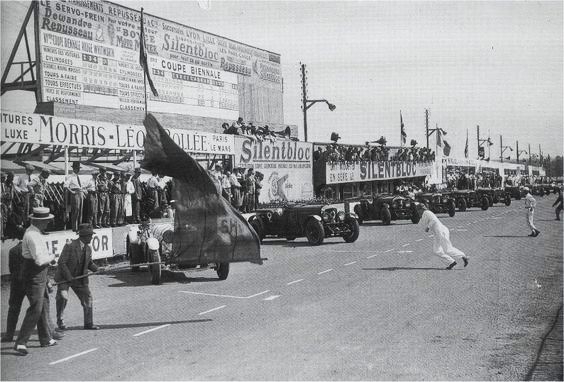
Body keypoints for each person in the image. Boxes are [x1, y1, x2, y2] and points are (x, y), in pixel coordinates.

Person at [13, 208, 59, 355]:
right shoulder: (32, 235)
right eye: (46, 221)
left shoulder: (36, 233)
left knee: (44, 304)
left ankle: (45, 338)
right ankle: (21, 342)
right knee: (36, 308)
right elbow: (39, 260)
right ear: (39, 221)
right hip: (34, 275)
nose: (48, 223)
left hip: (40, 274)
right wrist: (52, 257)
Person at [55, 224, 103, 331]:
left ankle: (89, 324)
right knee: (63, 297)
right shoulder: (70, 245)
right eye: (90, 236)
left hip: (80, 278)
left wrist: (97, 269)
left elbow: (89, 263)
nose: (91, 238)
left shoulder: (88, 248)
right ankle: (60, 320)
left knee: (88, 298)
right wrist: (69, 277)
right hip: (64, 277)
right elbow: (61, 263)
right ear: (84, 236)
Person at [417, 204, 469, 270]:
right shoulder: (424, 214)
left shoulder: (427, 212)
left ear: (421, 209)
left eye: (419, 210)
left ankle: (463, 256)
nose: (419, 211)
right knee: (436, 250)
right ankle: (451, 262)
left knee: (448, 249)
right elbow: (422, 223)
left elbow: (434, 220)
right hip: (437, 233)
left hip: (441, 232)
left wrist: (428, 227)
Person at [64, 162, 85, 232]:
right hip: (75, 193)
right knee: (76, 210)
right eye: (76, 168)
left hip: (80, 193)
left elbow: (81, 186)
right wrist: (72, 192)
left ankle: (80, 226)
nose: (78, 170)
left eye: (78, 168)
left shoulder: (79, 177)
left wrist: (83, 191)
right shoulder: (70, 177)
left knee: (80, 211)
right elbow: (65, 186)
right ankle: (75, 227)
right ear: (73, 169)